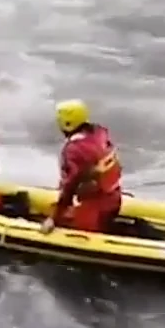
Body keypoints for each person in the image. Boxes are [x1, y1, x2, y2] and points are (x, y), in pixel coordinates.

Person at [40, 100, 123, 234]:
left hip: (95, 208)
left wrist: (53, 218)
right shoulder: (99, 133)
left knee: (70, 224)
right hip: (114, 199)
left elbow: (70, 186)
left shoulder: (74, 151)